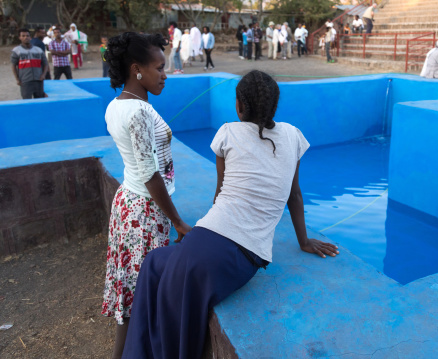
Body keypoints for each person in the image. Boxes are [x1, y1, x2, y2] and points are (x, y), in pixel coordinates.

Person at [121, 70, 339, 359]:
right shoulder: (293, 135)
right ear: (274, 106)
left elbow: (220, 193)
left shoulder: (227, 132)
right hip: (246, 257)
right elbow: (294, 194)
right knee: (154, 263)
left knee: (173, 301)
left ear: (239, 106)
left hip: (210, 243)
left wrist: (196, 234)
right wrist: (303, 240)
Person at [101, 31, 192, 359]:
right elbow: (149, 174)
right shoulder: (138, 112)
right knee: (143, 294)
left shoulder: (117, 105)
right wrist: (178, 221)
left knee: (134, 292)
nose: (165, 75)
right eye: (159, 68)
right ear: (137, 69)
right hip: (144, 211)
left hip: (128, 203)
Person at [11, 28, 49, 99]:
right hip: (25, 81)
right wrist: (17, 79)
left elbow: (45, 63)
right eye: (23, 36)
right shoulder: (16, 51)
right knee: (26, 101)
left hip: (39, 80)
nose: (26, 37)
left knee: (39, 101)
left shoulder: (38, 50)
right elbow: (13, 65)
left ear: (30, 37)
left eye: (27, 36)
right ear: (20, 37)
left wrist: (43, 75)